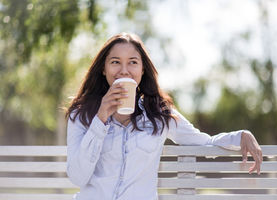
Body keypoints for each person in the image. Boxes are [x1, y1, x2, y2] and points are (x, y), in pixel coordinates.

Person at [65, 32, 262, 200]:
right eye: (115, 62)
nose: (124, 70)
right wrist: (100, 118)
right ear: (103, 68)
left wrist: (240, 136)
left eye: (132, 62)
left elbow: (204, 142)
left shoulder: (159, 115)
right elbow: (77, 177)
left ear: (142, 69)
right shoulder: (82, 114)